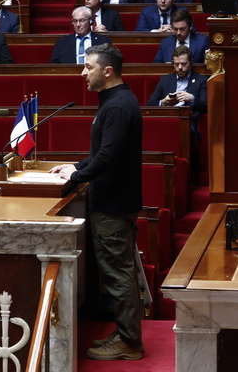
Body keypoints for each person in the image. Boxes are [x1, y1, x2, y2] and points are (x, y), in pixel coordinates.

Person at [48, 43, 143, 361]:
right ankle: (126, 332)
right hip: (116, 199)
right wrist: (77, 166)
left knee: (118, 273)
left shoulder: (117, 106)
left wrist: (76, 176)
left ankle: (130, 342)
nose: (82, 73)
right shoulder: (116, 101)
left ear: (108, 71)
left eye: (88, 67)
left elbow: (108, 157)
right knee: (119, 270)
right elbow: (103, 153)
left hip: (114, 203)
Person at [146, 44, 208, 135]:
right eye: (176, 64)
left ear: (191, 63)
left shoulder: (201, 80)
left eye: (183, 64)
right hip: (167, 120)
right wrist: (164, 102)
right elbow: (149, 105)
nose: (179, 67)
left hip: (188, 123)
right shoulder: (165, 80)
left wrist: (192, 98)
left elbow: (206, 107)